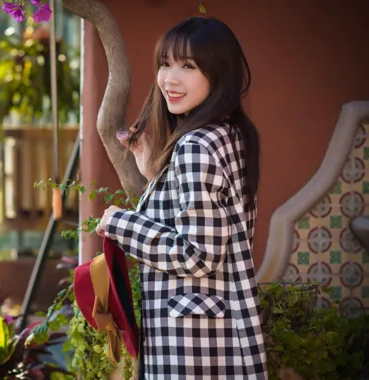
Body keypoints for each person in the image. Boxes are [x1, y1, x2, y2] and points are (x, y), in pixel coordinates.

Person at [95, 17, 268, 379]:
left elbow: (199, 254)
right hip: (215, 334)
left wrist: (119, 224)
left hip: (191, 345)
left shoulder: (195, 146)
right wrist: (154, 176)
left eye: (188, 66)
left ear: (218, 72)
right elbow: (209, 224)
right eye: (165, 63)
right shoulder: (231, 133)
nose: (169, 79)